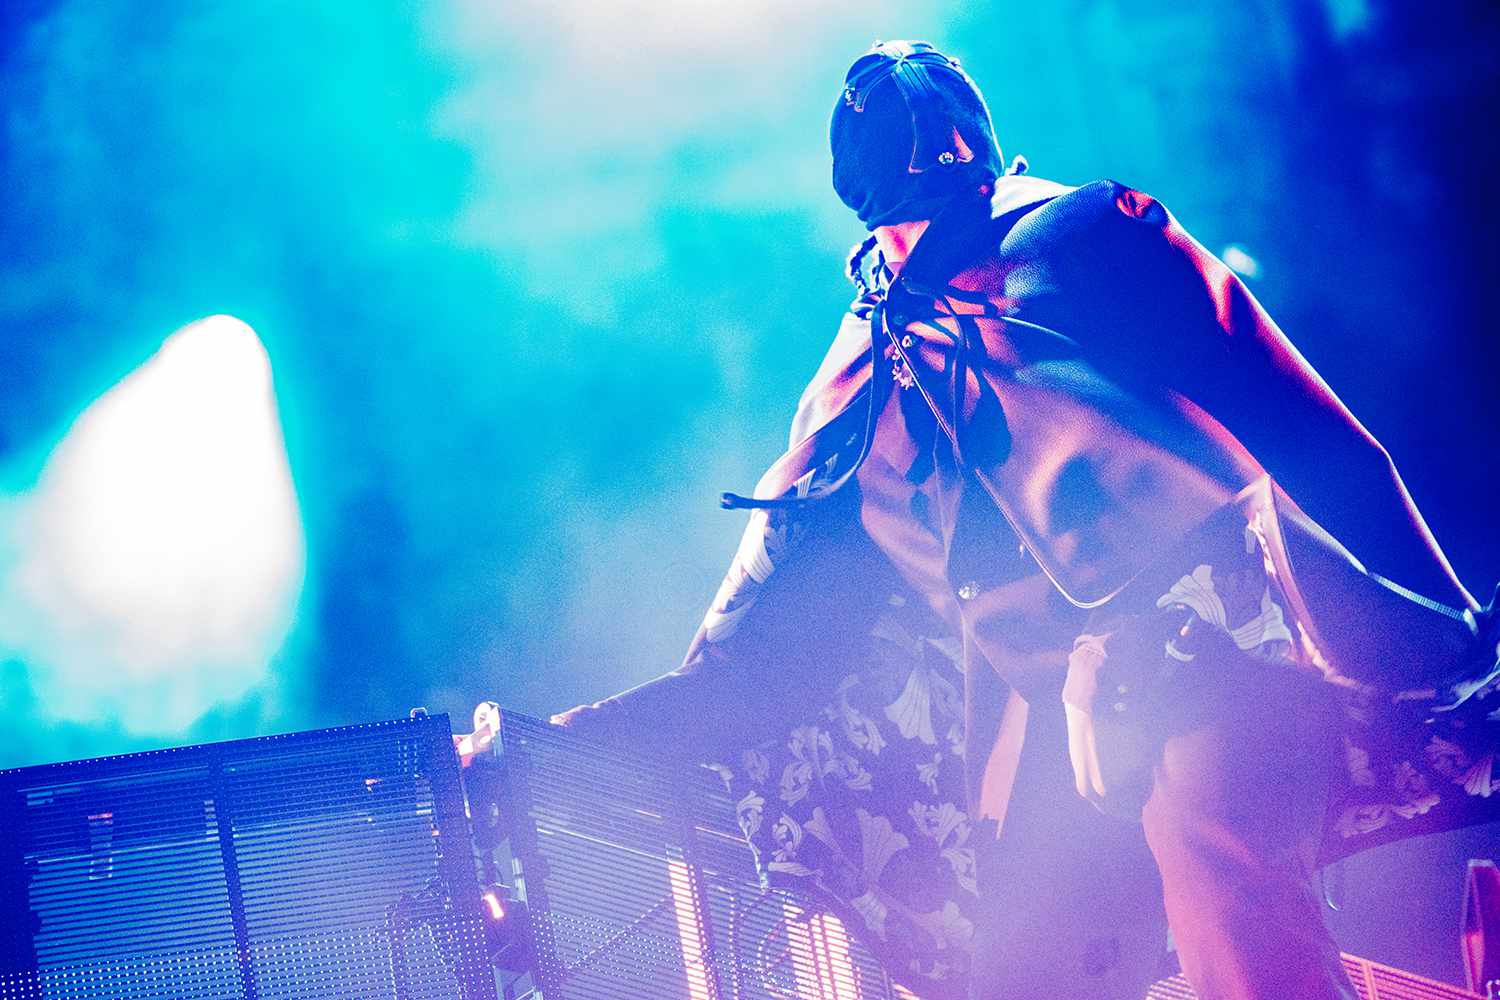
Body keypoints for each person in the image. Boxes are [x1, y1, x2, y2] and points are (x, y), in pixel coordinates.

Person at [555, 40, 1500, 1000]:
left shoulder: (1089, 235)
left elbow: (1311, 432)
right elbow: (764, 665)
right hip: (1052, 747)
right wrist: (560, 748)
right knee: (1016, 967)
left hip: (1218, 650)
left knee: (1218, 859)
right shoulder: (854, 390)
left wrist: (1444, 635)